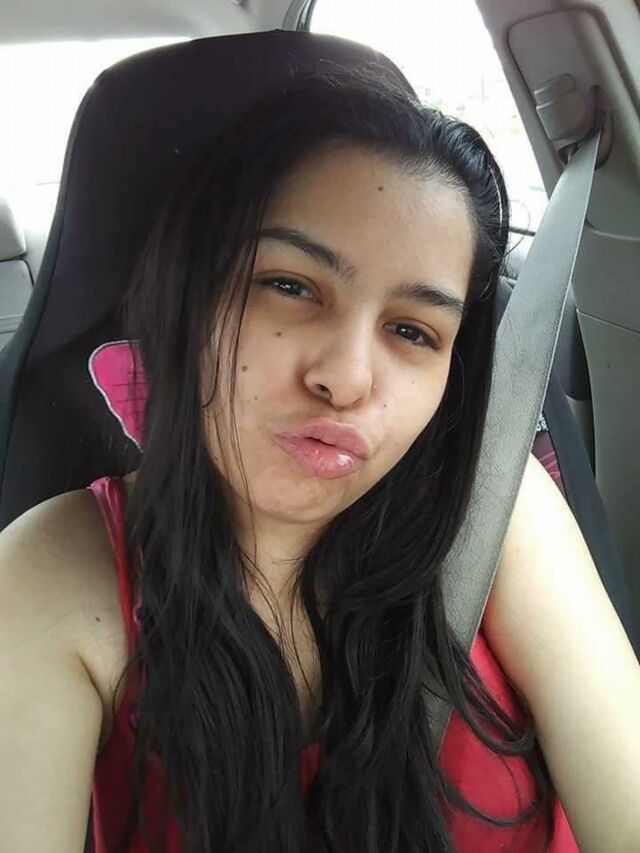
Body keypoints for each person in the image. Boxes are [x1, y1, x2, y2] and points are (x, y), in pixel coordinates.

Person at [0, 65, 639, 853]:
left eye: (412, 331)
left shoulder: (498, 512)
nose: (346, 378)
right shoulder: (54, 579)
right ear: (192, 292)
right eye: (291, 286)